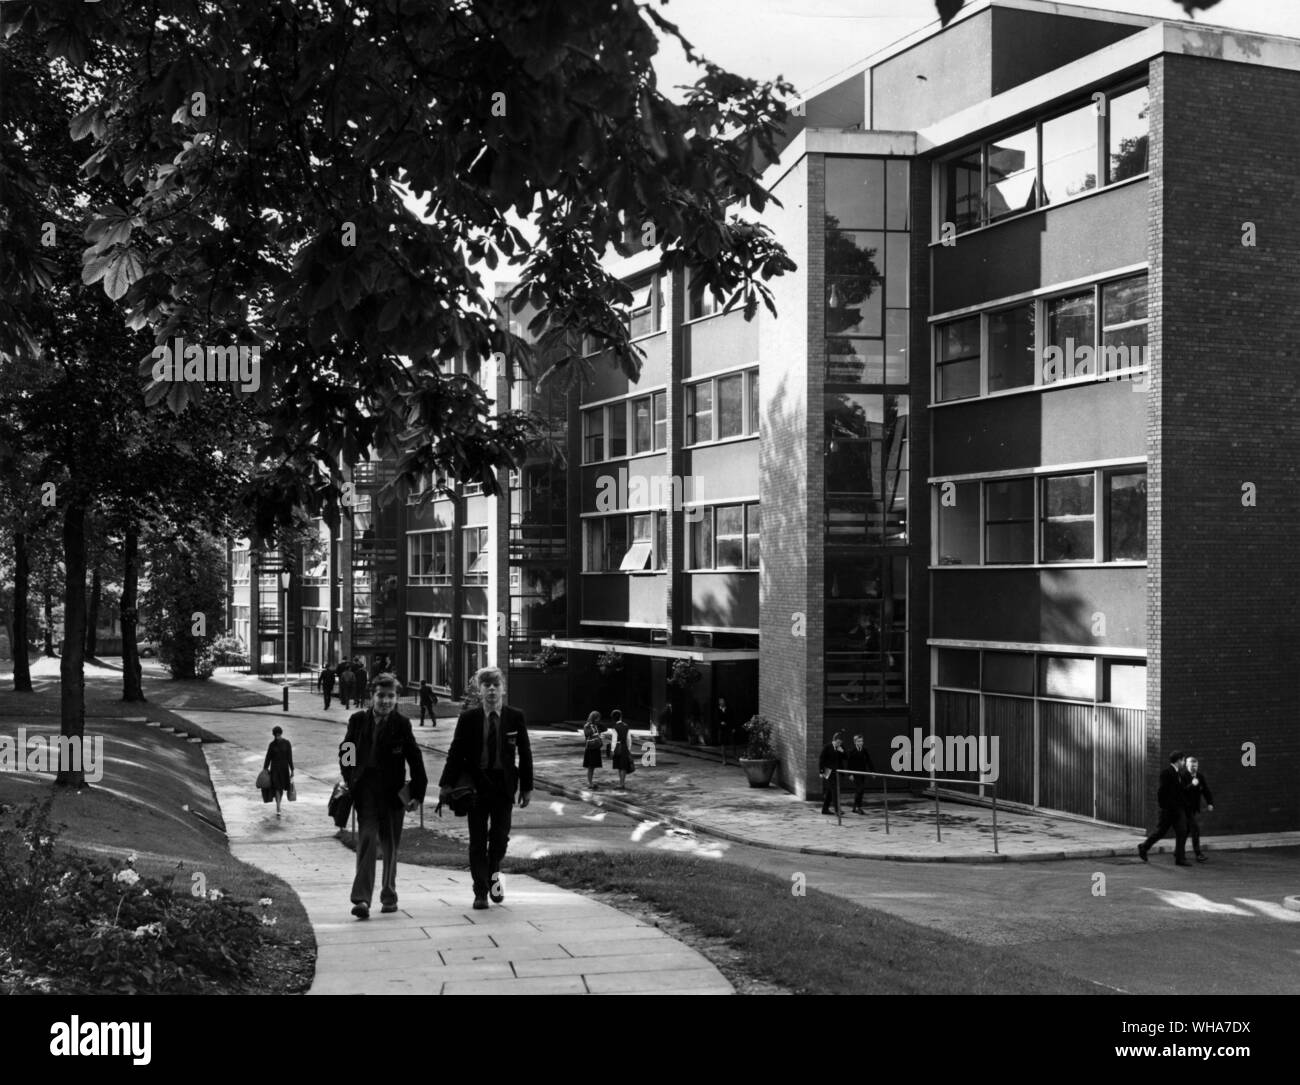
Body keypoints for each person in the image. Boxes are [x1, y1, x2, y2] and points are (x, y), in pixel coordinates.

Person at [437, 667, 533, 910]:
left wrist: (527, 786)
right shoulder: (469, 718)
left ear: (503, 689)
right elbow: (456, 752)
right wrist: (445, 785)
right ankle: (481, 891)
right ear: (479, 690)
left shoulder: (514, 717)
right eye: (486, 685)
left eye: (496, 685)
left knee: (499, 839)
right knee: (478, 841)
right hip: (476, 786)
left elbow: (525, 752)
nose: (492, 689)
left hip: (504, 785)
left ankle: (494, 878)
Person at [338, 673, 427, 919]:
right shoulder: (357, 721)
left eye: (391, 696)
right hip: (366, 792)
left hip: (392, 794)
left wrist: (418, 792)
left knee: (390, 845)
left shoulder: (402, 724)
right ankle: (362, 900)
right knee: (366, 840)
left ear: (397, 698)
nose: (386, 701)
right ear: (372, 697)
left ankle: (389, 895)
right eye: (381, 696)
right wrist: (349, 777)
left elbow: (415, 759)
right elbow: (347, 750)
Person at [1138, 750, 1190, 866]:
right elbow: (1161, 792)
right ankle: (1144, 847)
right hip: (1168, 810)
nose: (1184, 762)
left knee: (1182, 831)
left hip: (1178, 810)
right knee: (1160, 832)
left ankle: (1179, 858)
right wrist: (1164, 807)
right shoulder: (1166, 773)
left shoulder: (1178, 774)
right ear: (1178, 761)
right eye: (1183, 760)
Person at [1183, 755, 1214, 863]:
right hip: (1184, 808)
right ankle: (1198, 854)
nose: (1193, 768)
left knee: (1186, 831)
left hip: (1194, 808)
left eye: (1195, 766)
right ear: (1187, 766)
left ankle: (1178, 852)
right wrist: (1192, 784)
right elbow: (1181, 791)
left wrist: (1210, 803)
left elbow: (1206, 790)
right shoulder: (1182, 776)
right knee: (1195, 829)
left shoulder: (1200, 776)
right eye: (1191, 766)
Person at [263, 725, 294, 818]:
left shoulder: (287, 743)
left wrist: (292, 769)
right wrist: (265, 768)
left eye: (279, 735)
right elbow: (268, 757)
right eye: (276, 735)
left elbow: (290, 757)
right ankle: (278, 807)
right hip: (275, 769)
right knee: (277, 787)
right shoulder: (272, 745)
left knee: (281, 788)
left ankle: (278, 803)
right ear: (273, 735)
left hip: (284, 769)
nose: (277, 737)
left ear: (281, 734)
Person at [846, 733, 875, 815]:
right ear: (855, 742)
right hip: (855, 774)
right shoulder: (852, 751)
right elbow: (849, 764)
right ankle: (859, 807)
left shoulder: (865, 750)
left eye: (862, 741)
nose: (861, 743)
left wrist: (872, 771)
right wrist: (850, 774)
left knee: (860, 790)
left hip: (862, 773)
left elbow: (869, 761)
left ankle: (855, 807)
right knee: (860, 789)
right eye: (858, 741)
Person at [819, 731, 846, 815]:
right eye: (838, 742)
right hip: (828, 772)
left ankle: (825, 809)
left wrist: (842, 751)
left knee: (830, 791)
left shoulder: (840, 747)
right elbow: (821, 759)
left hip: (837, 773)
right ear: (834, 740)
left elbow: (846, 757)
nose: (839, 744)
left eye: (840, 742)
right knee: (835, 790)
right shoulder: (827, 747)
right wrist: (821, 771)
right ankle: (837, 809)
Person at [609, 709, 636, 789]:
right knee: (623, 766)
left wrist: (612, 750)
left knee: (619, 766)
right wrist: (628, 749)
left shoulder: (615, 727)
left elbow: (614, 739)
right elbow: (629, 739)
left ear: (613, 718)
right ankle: (622, 783)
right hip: (624, 748)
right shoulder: (626, 726)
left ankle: (621, 784)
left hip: (618, 747)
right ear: (621, 717)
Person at [582, 710, 603, 787]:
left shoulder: (596, 725)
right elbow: (587, 734)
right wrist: (592, 727)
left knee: (593, 766)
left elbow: (605, 728)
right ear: (594, 718)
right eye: (597, 718)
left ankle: (591, 782)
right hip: (591, 748)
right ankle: (590, 783)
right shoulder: (587, 726)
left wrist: (597, 724)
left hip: (596, 747)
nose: (599, 720)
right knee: (590, 766)